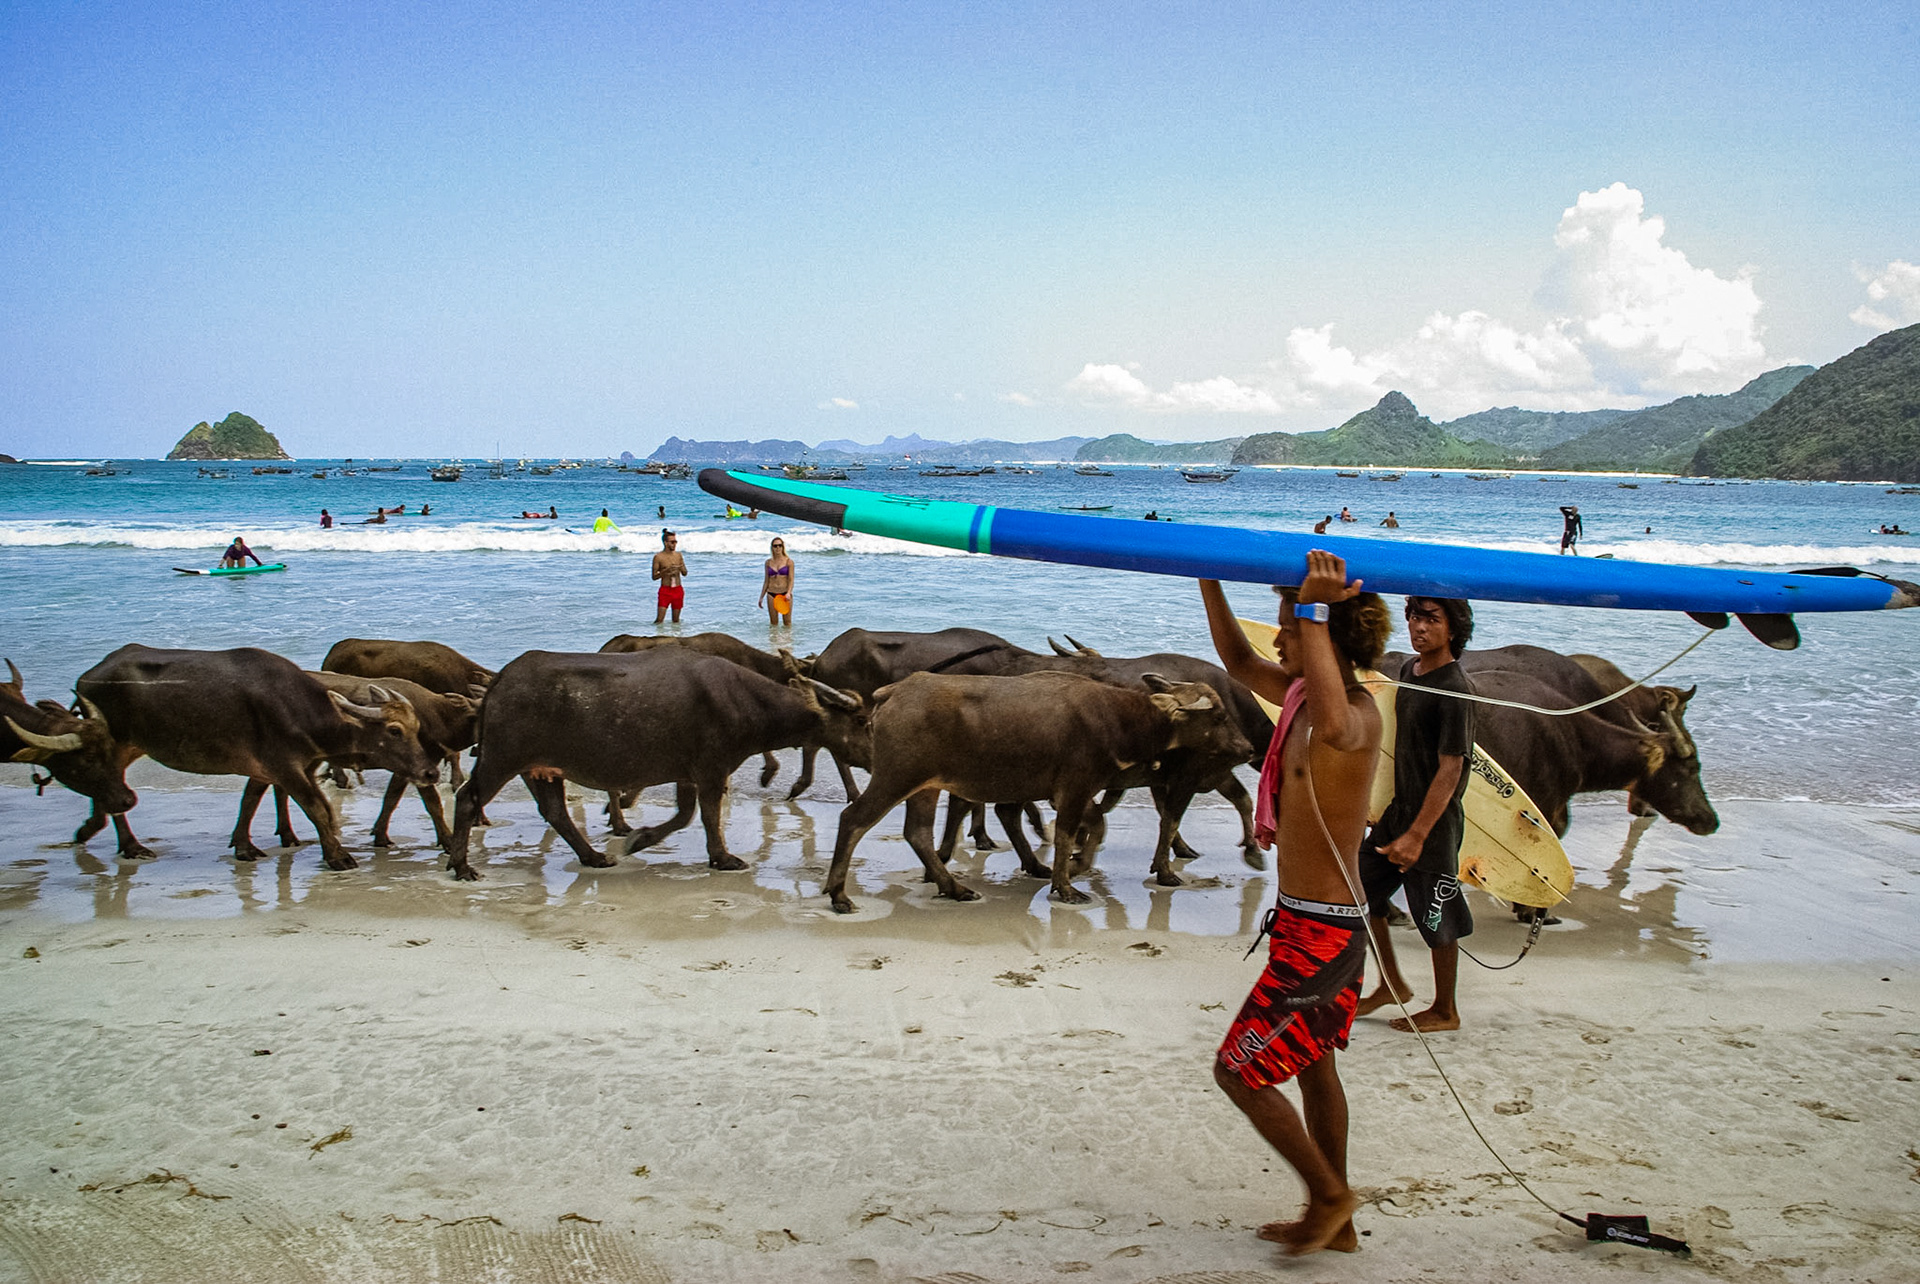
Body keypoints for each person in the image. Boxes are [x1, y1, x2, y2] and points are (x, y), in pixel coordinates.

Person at [1199, 552, 1391, 1256]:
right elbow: (1236, 660)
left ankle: (1331, 1198)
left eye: (1290, 626)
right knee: (1315, 1066)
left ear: (1324, 632)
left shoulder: (1355, 719)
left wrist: (1314, 607)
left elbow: (1337, 724)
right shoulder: (1304, 699)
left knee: (1237, 1071)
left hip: (1324, 939)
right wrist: (1205, 574)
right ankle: (1339, 1227)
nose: (1278, 638)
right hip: (1306, 927)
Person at [1356, 596, 1476, 1034]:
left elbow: (1451, 768)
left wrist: (1418, 835)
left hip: (1434, 824)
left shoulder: (1456, 690)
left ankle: (1445, 1009)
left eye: (1431, 619)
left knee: (1435, 916)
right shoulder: (1411, 670)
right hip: (1398, 811)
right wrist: (1378, 805)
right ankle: (1391, 984)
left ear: (1453, 627)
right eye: (1413, 617)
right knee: (1359, 891)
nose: (1418, 627)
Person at [652, 529, 688, 624]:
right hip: (665, 590)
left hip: (678, 590)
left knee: (676, 621)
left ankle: (675, 633)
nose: (674, 544)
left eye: (675, 542)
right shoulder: (658, 557)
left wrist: (681, 568)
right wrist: (666, 571)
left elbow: (685, 573)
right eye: (672, 542)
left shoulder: (678, 555)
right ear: (665, 543)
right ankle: (654, 633)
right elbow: (654, 577)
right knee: (659, 620)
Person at [760, 537, 794, 627]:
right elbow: (766, 581)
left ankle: (788, 637)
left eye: (780, 545)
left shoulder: (789, 562)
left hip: (785, 594)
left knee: (787, 622)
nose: (778, 548)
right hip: (771, 594)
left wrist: (789, 592)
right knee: (773, 623)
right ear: (772, 548)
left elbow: (791, 580)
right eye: (775, 546)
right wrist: (761, 597)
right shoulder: (768, 563)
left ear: (783, 547)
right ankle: (774, 637)